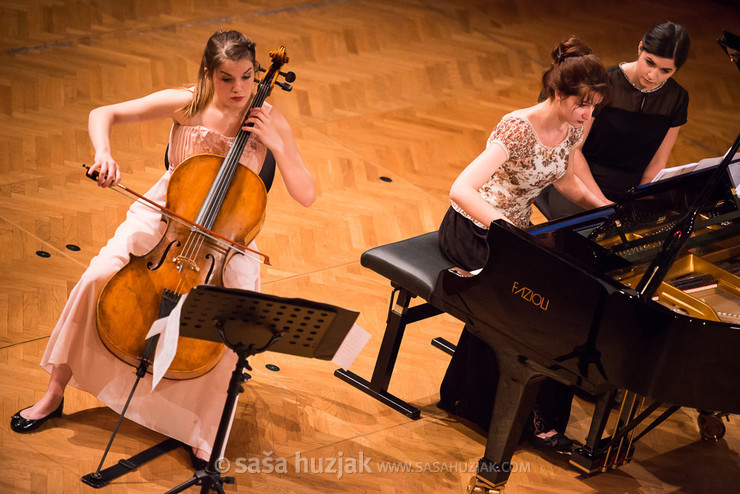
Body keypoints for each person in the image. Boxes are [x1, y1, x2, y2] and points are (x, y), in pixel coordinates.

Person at [10, 30, 315, 467]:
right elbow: (104, 112)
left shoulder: (268, 120)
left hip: (226, 236)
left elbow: (306, 194)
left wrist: (279, 146)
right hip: (168, 215)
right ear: (209, 74)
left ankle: (204, 430)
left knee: (234, 326)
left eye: (247, 77)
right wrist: (104, 154)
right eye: (226, 78)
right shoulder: (186, 103)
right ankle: (54, 393)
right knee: (98, 277)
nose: (239, 90)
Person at [437, 36, 610, 449]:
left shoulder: (573, 127)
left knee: (561, 301)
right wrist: (506, 230)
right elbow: (461, 189)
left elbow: (563, 177)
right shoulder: (517, 127)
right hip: (474, 227)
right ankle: (482, 404)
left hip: (517, 233)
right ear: (557, 92)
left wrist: (603, 205)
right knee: (518, 302)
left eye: (592, 105)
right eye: (580, 104)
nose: (587, 114)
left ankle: (536, 411)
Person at [536, 22, 690, 219]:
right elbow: (575, 150)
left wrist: (639, 201)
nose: (652, 75)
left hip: (630, 189)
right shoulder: (605, 83)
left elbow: (657, 162)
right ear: (640, 48)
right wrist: (602, 204)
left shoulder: (677, 98)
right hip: (581, 179)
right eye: (649, 62)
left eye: (665, 71)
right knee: (580, 237)